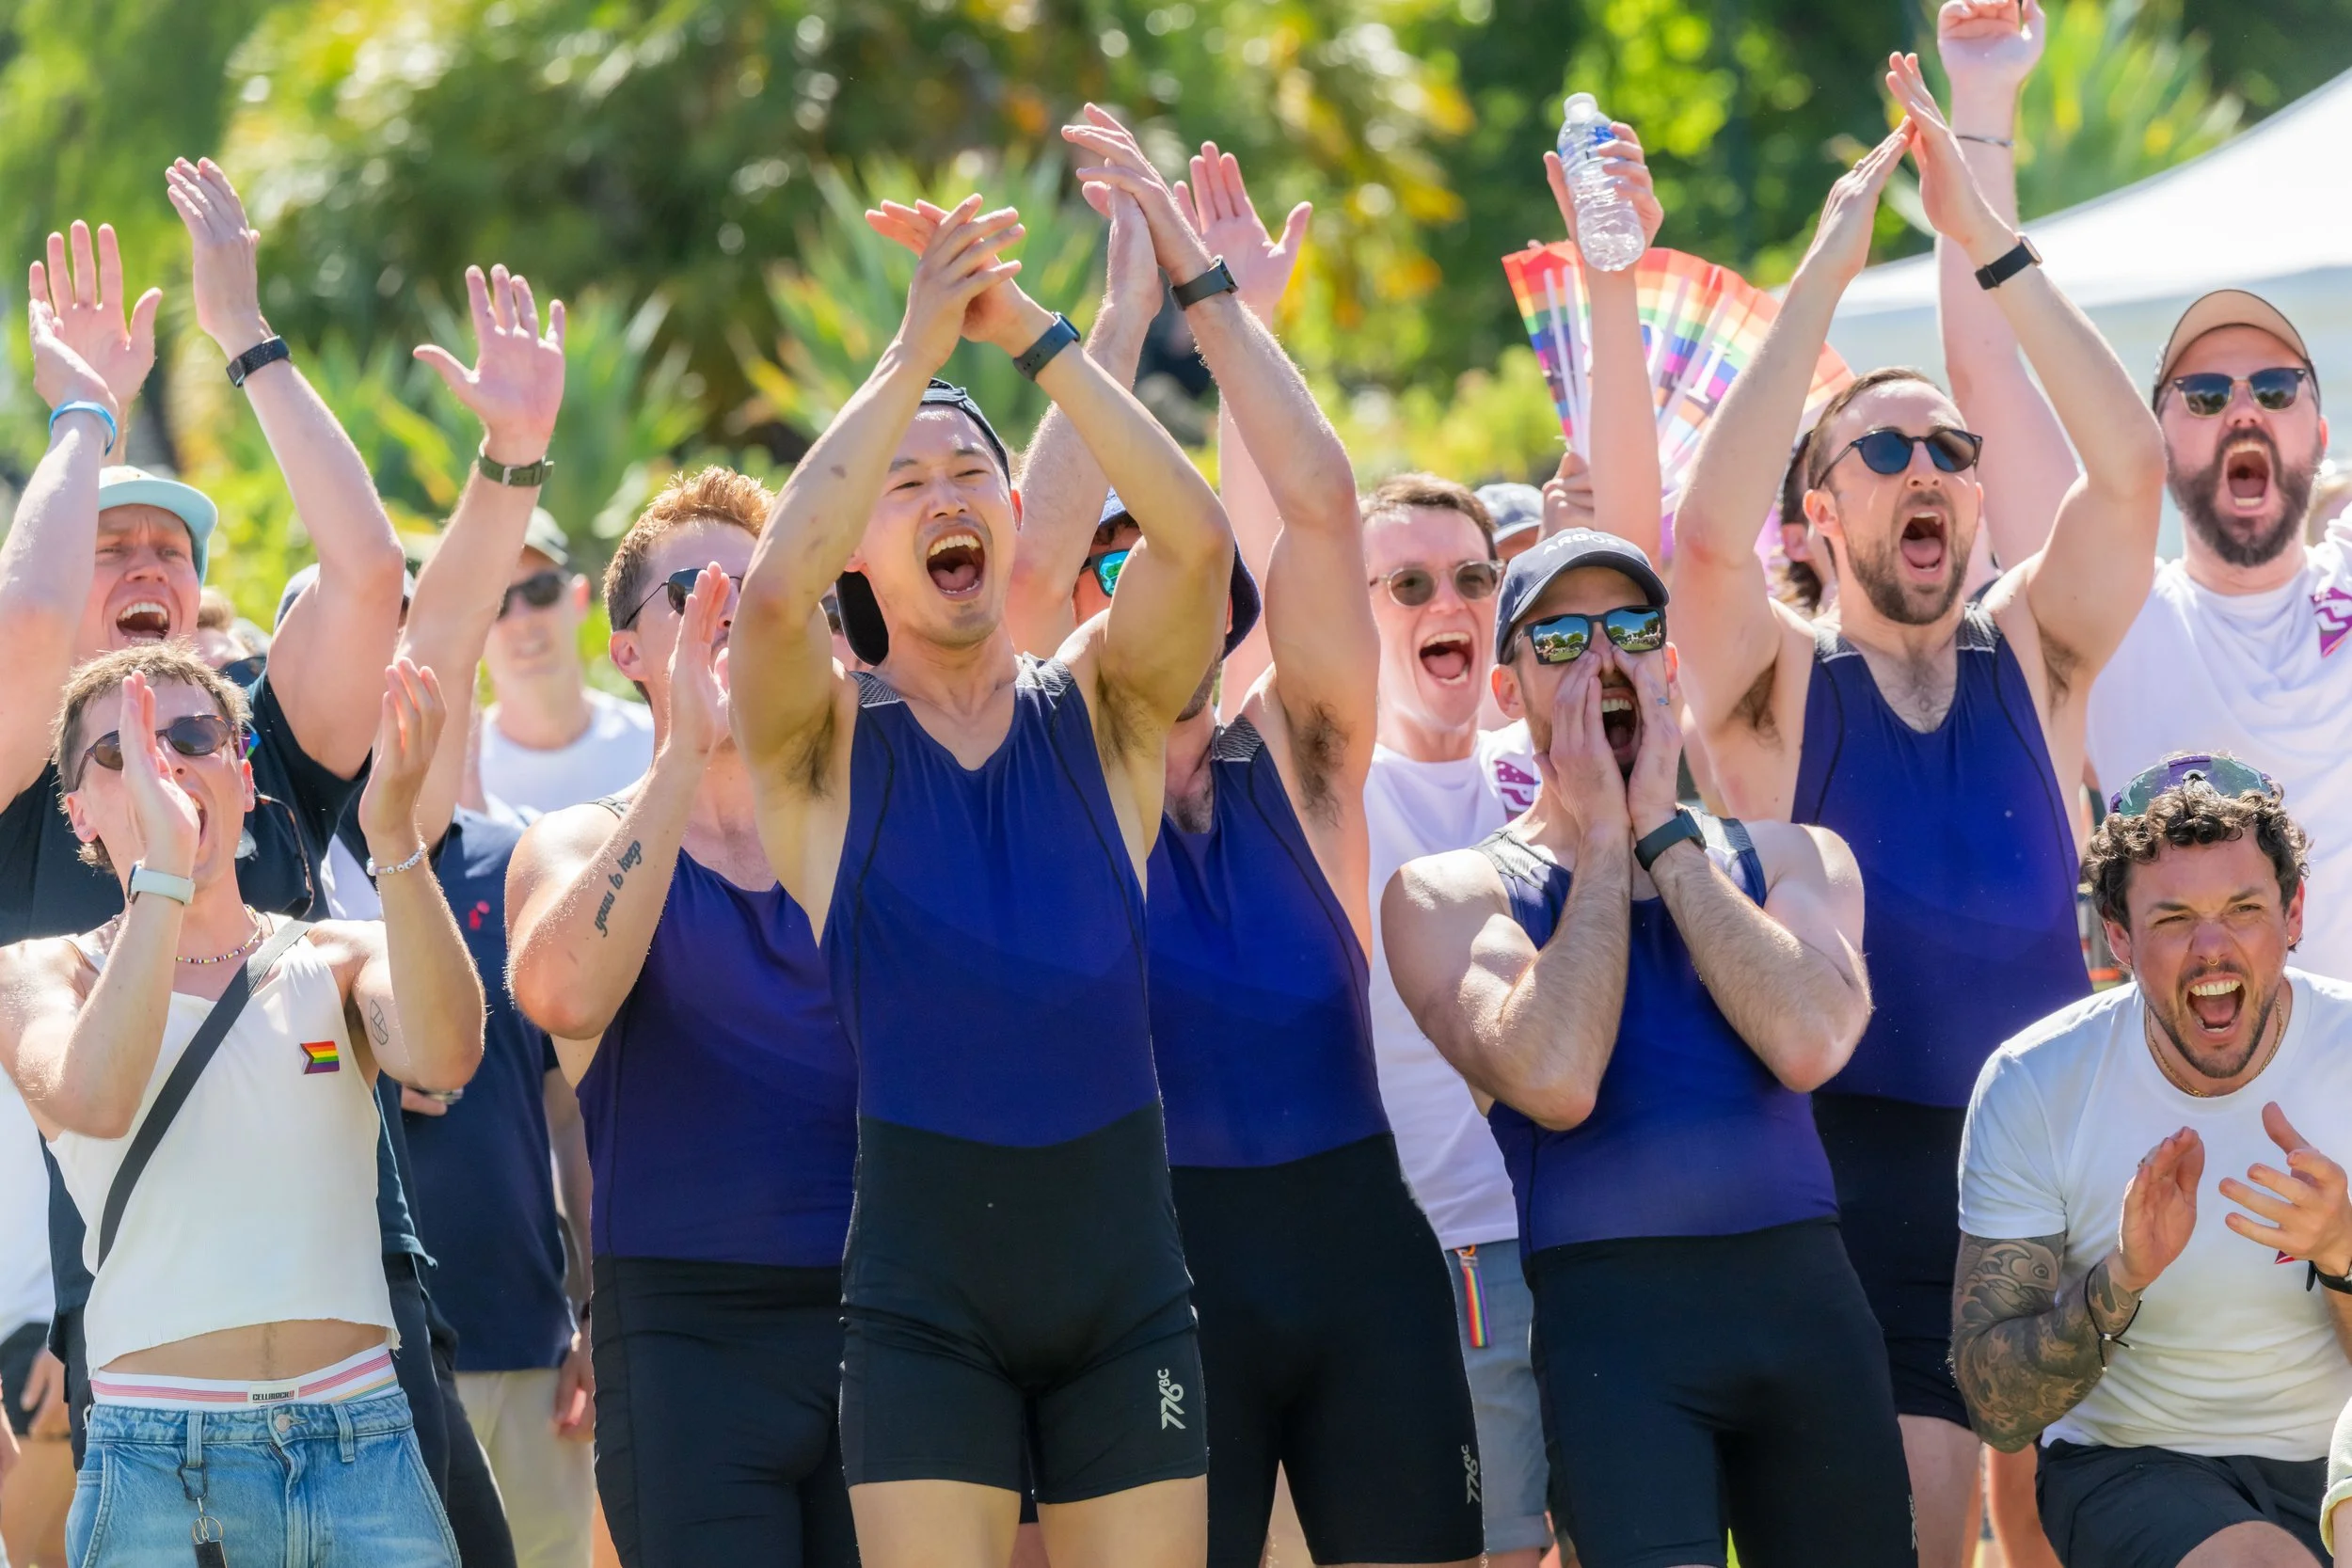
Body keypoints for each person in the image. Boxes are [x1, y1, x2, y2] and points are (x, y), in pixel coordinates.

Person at [1664, 57, 2167, 1564]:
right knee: (1919, 1546)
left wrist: (1991, 243)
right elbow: (1696, 540)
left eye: (1951, 447)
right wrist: (1831, 261)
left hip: (2067, 1157)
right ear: (1820, 512)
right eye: (1883, 451)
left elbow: (2131, 469)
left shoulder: (2034, 653)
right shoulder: (1778, 695)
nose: (1928, 467)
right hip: (1867, 1185)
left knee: (2086, 1539)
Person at [728, 141, 1236, 1564]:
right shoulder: (819, 753)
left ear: (1015, 516)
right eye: (907, 483)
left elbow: (1193, 547)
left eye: (972, 469)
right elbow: (771, 598)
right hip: (920, 1304)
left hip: (1125, 1285)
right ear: (859, 551)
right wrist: (913, 352)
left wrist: (1037, 338)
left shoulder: (1111, 713)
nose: (947, 490)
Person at [993, 135, 1480, 1568]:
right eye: (1129, 558)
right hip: (1157, 1267)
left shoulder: (1310, 753)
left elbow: (1324, 501)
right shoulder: (1059, 774)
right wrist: (1119, 313)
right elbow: (1024, 561)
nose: (1171, 579)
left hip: (1356, 1247)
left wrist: (1213, 292)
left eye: (1196, 558)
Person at [1385, 529, 1914, 1568]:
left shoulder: (1790, 853)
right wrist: (1595, 843)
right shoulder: (1450, 892)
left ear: (1667, 666)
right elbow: (1554, 1076)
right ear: (1507, 686)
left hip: (1806, 1314)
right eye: (1563, 641)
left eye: (1631, 631)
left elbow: (1810, 1040)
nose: (1604, 663)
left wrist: (1663, 835)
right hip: (1614, 1337)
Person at [0, 162, 411, 1480]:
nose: (144, 568)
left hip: (368, 1353)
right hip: (128, 1363)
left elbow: (367, 577)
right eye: (109, 548)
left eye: (170, 552)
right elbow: (18, 630)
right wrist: (81, 413)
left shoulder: (256, 750)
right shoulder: (27, 797)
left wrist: (248, 338)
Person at [1354, 119, 1668, 1568]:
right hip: (1424, 1247)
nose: (1450, 597)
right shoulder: (1320, 782)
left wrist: (1615, 277)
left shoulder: (1527, 761)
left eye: (1473, 574)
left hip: (1581, 1229)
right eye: (1407, 579)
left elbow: (1628, 535)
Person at [0, 644, 485, 1565]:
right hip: (159, 1466)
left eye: (193, 734)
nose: (168, 763)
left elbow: (446, 1050)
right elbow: (95, 1096)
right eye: (125, 752)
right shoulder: (39, 971)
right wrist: (164, 876)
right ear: (78, 810)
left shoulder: (339, 953)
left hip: (362, 1440)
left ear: (244, 768)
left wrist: (397, 840)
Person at [507, 468, 861, 1568]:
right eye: (697, 594)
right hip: (684, 1332)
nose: (728, 617)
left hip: (887, 1311)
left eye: (757, 595)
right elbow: (561, 994)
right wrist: (681, 754)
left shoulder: (861, 815)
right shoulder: (573, 842)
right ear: (624, 650)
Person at [1954, 754, 2352, 1568]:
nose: (2213, 948)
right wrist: (2120, 1280)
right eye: (2173, 919)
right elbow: (1997, 1404)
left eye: (2244, 908)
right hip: (2132, 1464)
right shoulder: (2035, 1082)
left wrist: (2345, 1250)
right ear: (2120, 936)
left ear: (2295, 911)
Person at [480, 509, 655, 815]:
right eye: (496, 603)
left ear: (578, 597)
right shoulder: (457, 773)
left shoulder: (655, 744)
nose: (522, 619)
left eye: (540, 591)